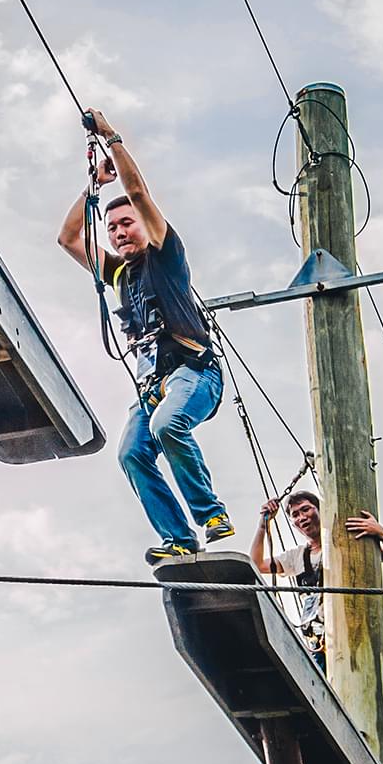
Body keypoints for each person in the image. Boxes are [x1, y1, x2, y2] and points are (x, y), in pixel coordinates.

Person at [56, 108, 233, 564]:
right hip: (152, 387)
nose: (119, 233)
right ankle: (179, 537)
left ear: (145, 224)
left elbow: (137, 192)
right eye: (112, 228)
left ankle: (211, 513)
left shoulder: (165, 255)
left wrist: (111, 138)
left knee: (166, 426)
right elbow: (68, 238)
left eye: (126, 223)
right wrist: (93, 187)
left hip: (194, 373)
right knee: (132, 453)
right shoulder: (117, 274)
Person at [249, 490, 383, 670]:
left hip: (352, 633)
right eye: (295, 515)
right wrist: (263, 526)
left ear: (320, 510)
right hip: (319, 642)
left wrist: (382, 533)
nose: (302, 517)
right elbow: (257, 564)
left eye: (306, 509)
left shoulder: (349, 542)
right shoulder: (297, 557)